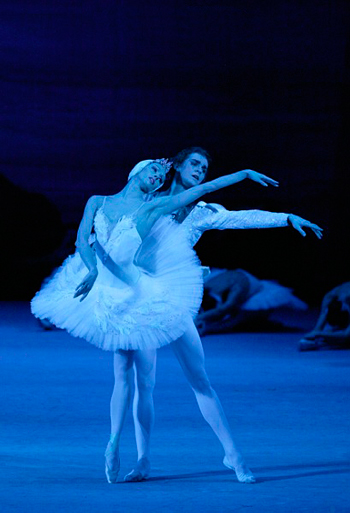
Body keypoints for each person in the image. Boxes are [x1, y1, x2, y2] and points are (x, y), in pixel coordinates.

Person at [31, 156, 280, 484]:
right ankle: (123, 450)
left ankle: (230, 455)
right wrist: (92, 269)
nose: (157, 178)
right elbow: (82, 241)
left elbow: (202, 195)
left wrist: (245, 176)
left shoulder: (152, 208)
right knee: (129, 376)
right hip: (114, 294)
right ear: (135, 170)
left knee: (192, 377)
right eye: (153, 171)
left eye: (161, 175)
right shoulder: (99, 202)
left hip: (150, 291)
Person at [124, 148, 323, 485]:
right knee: (144, 383)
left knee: (200, 379)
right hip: (141, 297)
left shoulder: (204, 211)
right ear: (178, 166)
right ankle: (142, 461)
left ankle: (232, 454)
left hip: (172, 299)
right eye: (195, 164)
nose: (200, 170)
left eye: (205, 167)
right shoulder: (149, 197)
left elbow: (243, 217)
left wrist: (286, 217)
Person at [196, 267, 308, 336]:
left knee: (237, 317)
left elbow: (224, 310)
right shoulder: (207, 285)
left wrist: (201, 322)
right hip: (227, 282)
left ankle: (258, 322)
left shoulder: (238, 290)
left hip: (254, 290)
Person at [299, 281, 350, 351]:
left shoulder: (345, 298)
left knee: (343, 339)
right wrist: (312, 336)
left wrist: (319, 334)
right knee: (331, 335)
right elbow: (317, 329)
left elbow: (345, 335)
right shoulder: (329, 297)